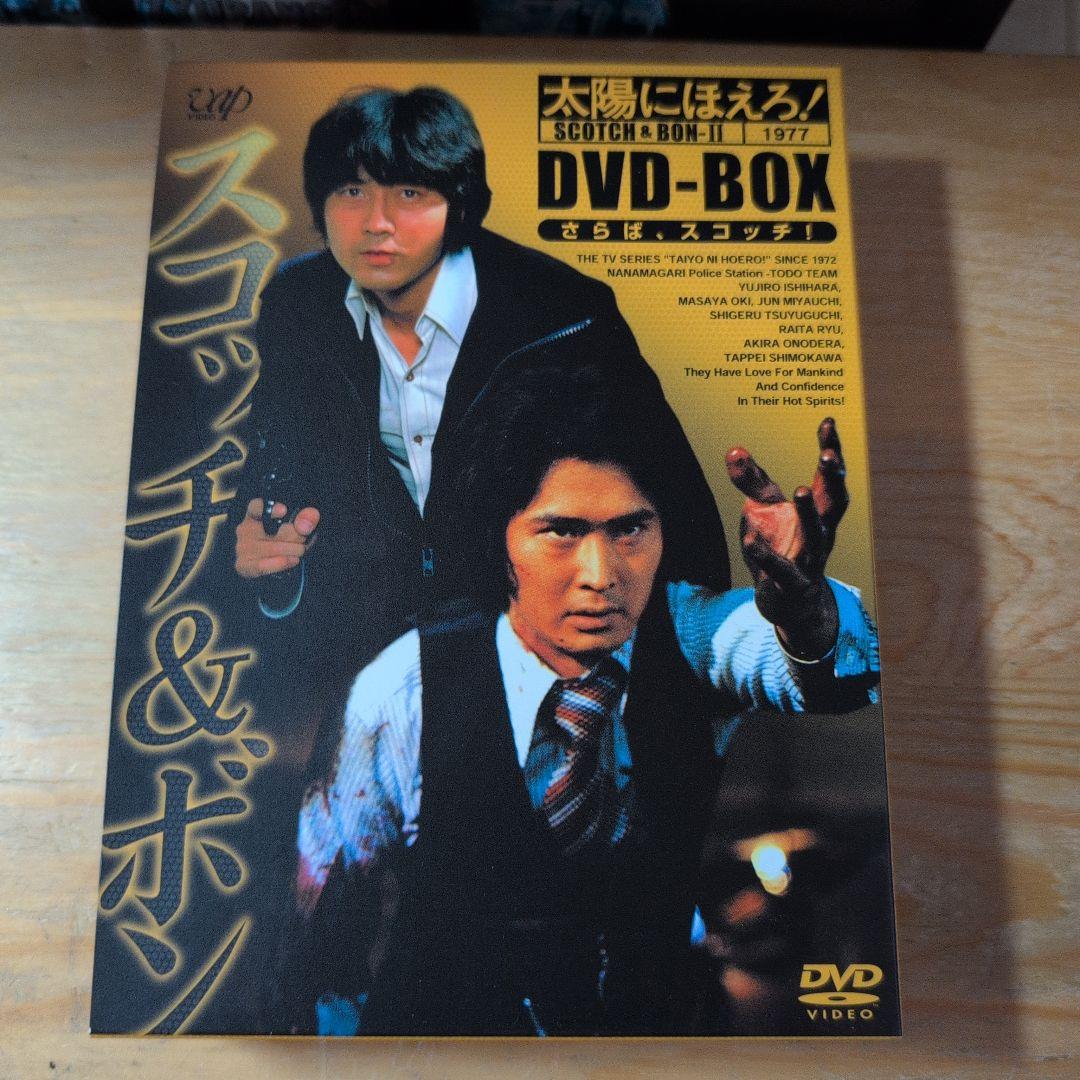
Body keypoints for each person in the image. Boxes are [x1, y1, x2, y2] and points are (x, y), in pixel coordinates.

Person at [293, 362, 880, 1036]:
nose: (602, 575)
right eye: (563, 532)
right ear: (500, 540)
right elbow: (325, 944)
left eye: (630, 530)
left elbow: (828, 672)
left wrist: (807, 613)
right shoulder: (404, 692)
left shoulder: (689, 635)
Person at [230, 86, 729, 744]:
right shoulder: (299, 303)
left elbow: (678, 515)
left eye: (410, 193)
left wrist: (677, 713)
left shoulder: (567, 315)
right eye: (352, 191)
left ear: (458, 204)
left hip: (542, 651)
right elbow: (275, 476)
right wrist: (269, 563)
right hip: (374, 670)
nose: (377, 222)